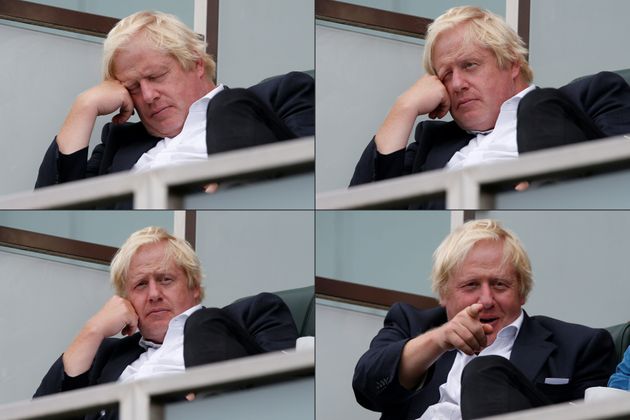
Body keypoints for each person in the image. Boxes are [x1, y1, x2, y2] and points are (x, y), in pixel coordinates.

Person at [349, 6, 630, 209]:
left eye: (469, 65)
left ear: (512, 63)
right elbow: (364, 208)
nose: (457, 84)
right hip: (458, 229)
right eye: (445, 74)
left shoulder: (591, 96)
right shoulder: (430, 149)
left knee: (537, 105)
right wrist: (404, 107)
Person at [35, 11, 313, 207]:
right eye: (132, 87)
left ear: (196, 63)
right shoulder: (118, 144)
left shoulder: (280, 96)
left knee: (229, 106)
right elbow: (52, 207)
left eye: (156, 76)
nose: (148, 95)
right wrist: (84, 106)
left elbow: (304, 182)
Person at [353, 219, 617, 420]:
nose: (486, 300)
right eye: (470, 286)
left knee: (485, 371)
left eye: (500, 285)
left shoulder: (580, 346)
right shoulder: (412, 325)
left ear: (522, 292)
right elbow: (367, 389)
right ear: (443, 293)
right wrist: (439, 339)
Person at [34, 226, 298, 419]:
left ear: (194, 287)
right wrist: (93, 330)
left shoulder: (252, 315)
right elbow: (42, 414)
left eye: (165, 280)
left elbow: (288, 395)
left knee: (202, 325)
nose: (154, 294)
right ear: (126, 301)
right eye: (140, 285)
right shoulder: (106, 356)